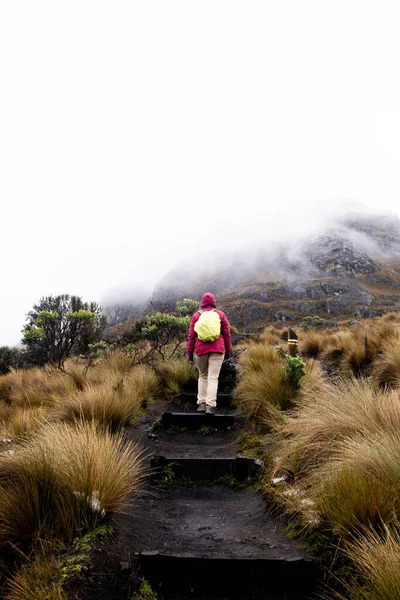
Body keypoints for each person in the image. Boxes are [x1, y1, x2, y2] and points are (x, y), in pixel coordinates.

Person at [187, 292, 231, 414]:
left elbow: (191, 336)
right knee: (213, 378)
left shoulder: (196, 316)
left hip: (200, 350)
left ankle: (201, 403)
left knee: (203, 376)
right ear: (213, 302)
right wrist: (228, 351)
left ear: (202, 303)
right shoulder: (220, 315)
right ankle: (210, 406)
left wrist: (190, 353)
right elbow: (227, 335)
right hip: (218, 349)